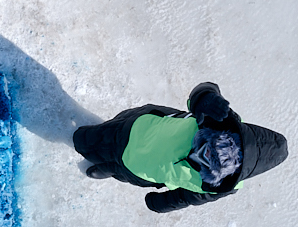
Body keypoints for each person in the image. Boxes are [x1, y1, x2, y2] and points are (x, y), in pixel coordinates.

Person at [73, 82, 287, 212]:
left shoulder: (223, 186)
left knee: (121, 171)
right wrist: (205, 97)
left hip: (142, 173)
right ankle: (86, 142)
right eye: (205, 145)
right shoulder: (219, 118)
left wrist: (163, 202)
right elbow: (204, 89)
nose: (197, 153)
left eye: (206, 161)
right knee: (85, 140)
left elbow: (190, 197)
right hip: (135, 128)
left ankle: (111, 169)